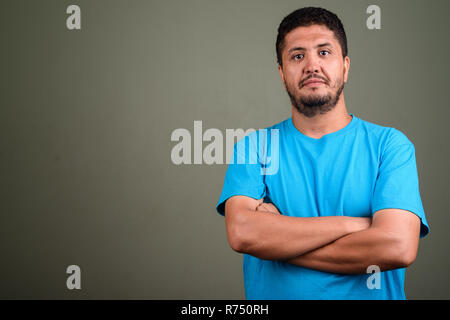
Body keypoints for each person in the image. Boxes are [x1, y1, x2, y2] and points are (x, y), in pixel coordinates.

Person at [216, 7, 430, 300]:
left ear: (345, 66)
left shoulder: (390, 146)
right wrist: (356, 225)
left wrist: (279, 243)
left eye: (324, 52)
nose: (312, 65)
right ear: (281, 72)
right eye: (297, 55)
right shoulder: (253, 148)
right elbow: (242, 232)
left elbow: (398, 247)